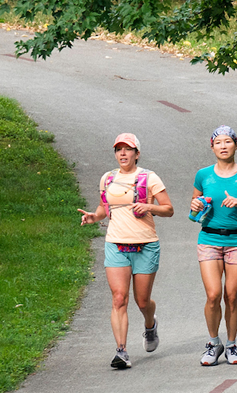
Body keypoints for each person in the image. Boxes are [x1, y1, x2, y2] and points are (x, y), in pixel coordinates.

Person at [77, 133, 173, 369]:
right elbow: (103, 207)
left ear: (136, 154)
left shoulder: (149, 178)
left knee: (142, 301)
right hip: (116, 244)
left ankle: (150, 325)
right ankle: (121, 351)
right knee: (119, 298)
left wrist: (150, 206)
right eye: (118, 149)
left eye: (127, 149)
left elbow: (168, 209)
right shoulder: (107, 179)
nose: (122, 153)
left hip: (145, 245)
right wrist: (94, 217)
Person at [189, 125, 237, 366]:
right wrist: (196, 206)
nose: (223, 146)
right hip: (210, 238)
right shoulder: (203, 175)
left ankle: (231, 345)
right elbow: (195, 204)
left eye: (228, 142)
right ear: (211, 146)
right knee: (213, 295)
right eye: (218, 142)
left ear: (236, 144)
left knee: (232, 297)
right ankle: (213, 343)